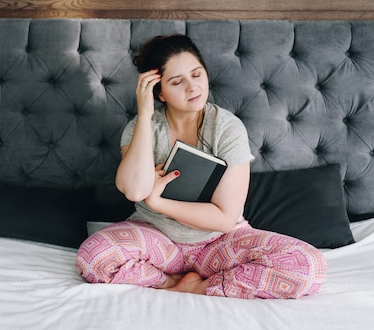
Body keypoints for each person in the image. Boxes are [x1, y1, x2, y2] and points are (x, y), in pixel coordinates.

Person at [75, 34, 326, 298]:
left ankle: (201, 286)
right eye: (176, 81)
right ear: (158, 91)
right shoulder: (141, 127)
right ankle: (170, 283)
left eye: (196, 74)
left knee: (309, 266)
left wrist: (159, 202)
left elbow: (226, 218)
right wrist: (146, 116)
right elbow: (135, 191)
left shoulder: (226, 128)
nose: (192, 87)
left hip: (218, 242)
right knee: (92, 257)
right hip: (158, 239)